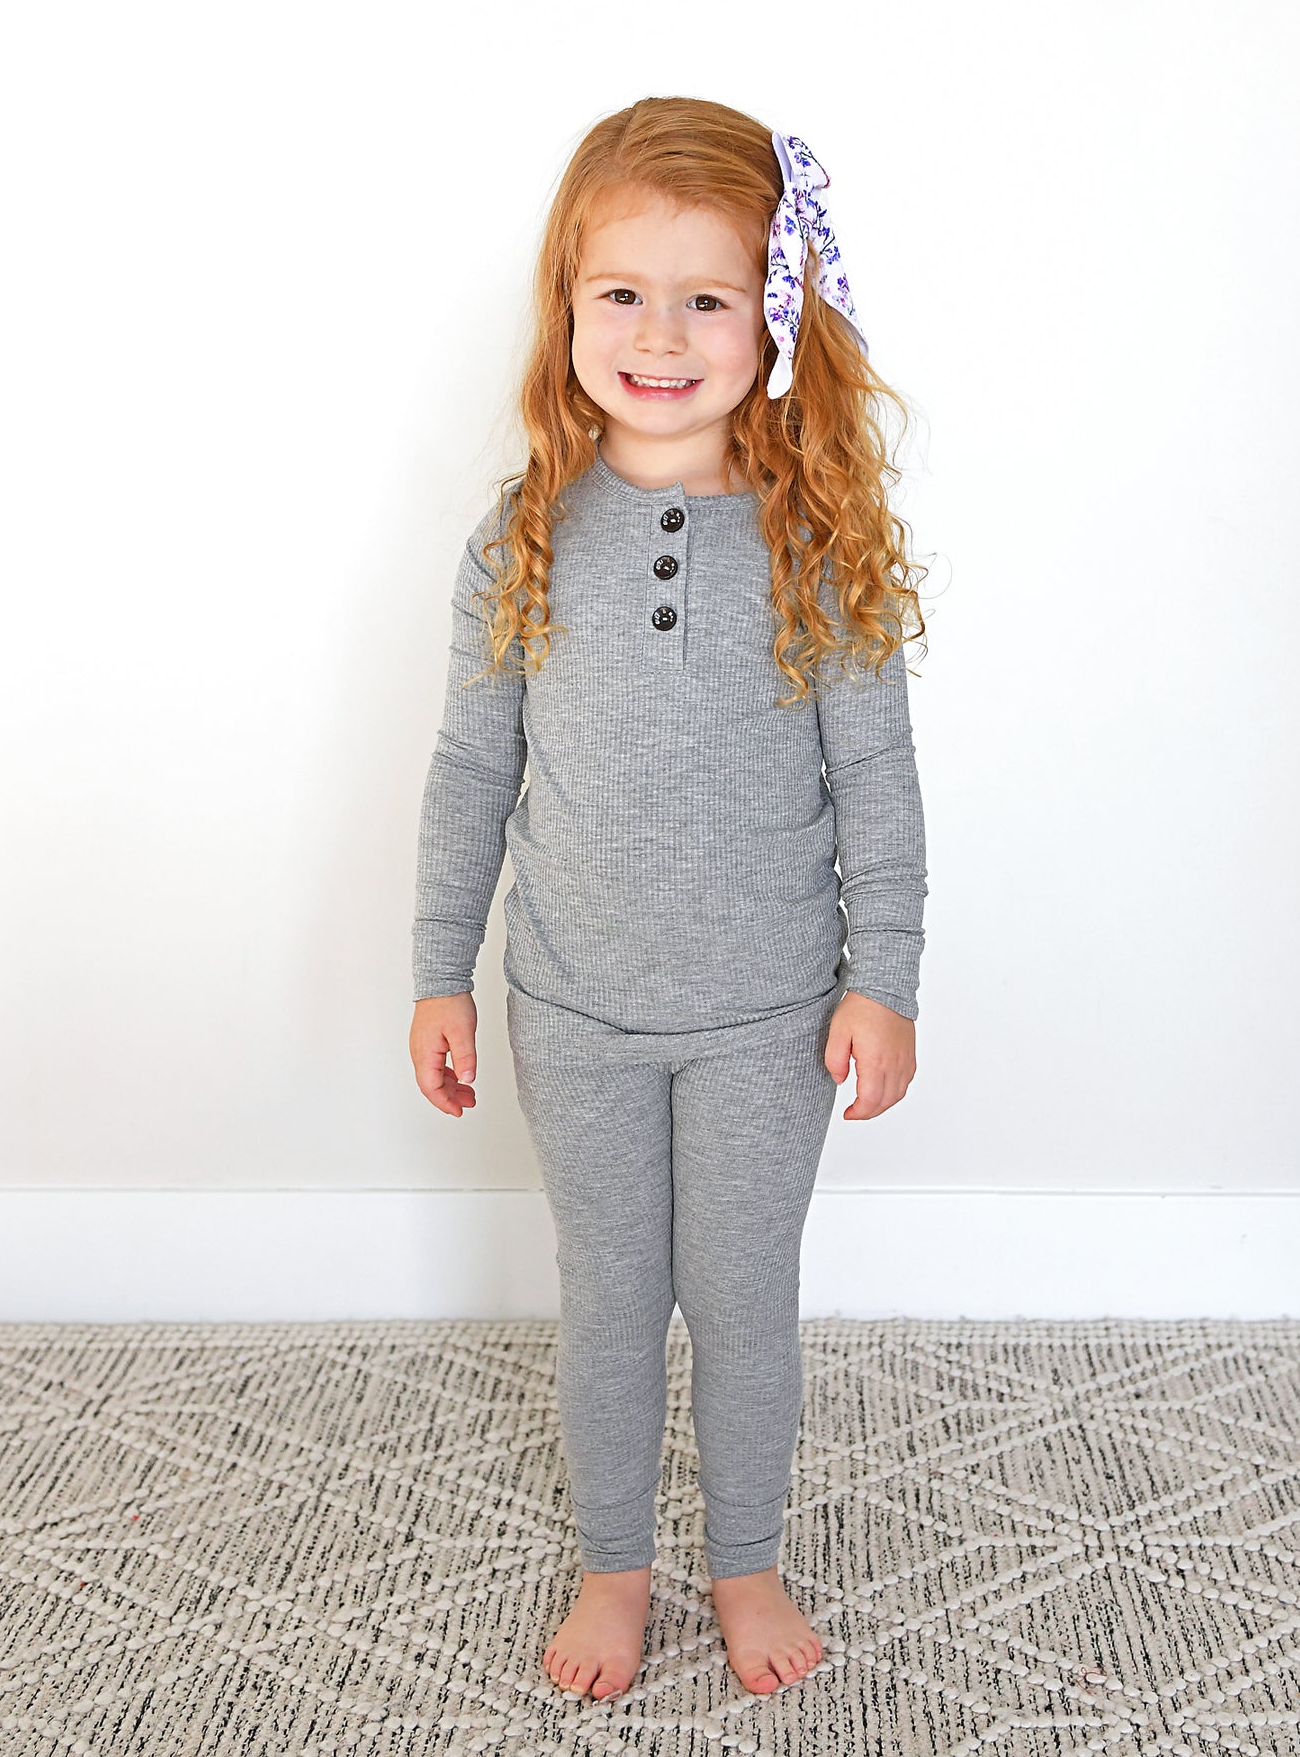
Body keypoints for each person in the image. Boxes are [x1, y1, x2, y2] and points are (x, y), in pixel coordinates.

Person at [407, 97, 929, 1703]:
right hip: (572, 1013)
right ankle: (614, 1565)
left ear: (773, 317)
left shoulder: (820, 543)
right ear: (566, 304)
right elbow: (469, 772)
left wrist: (885, 978)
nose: (659, 335)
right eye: (621, 293)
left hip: (772, 1018)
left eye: (706, 298)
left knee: (745, 1302)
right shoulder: (520, 539)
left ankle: (747, 1560)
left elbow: (879, 784)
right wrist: (438, 969)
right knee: (611, 1302)